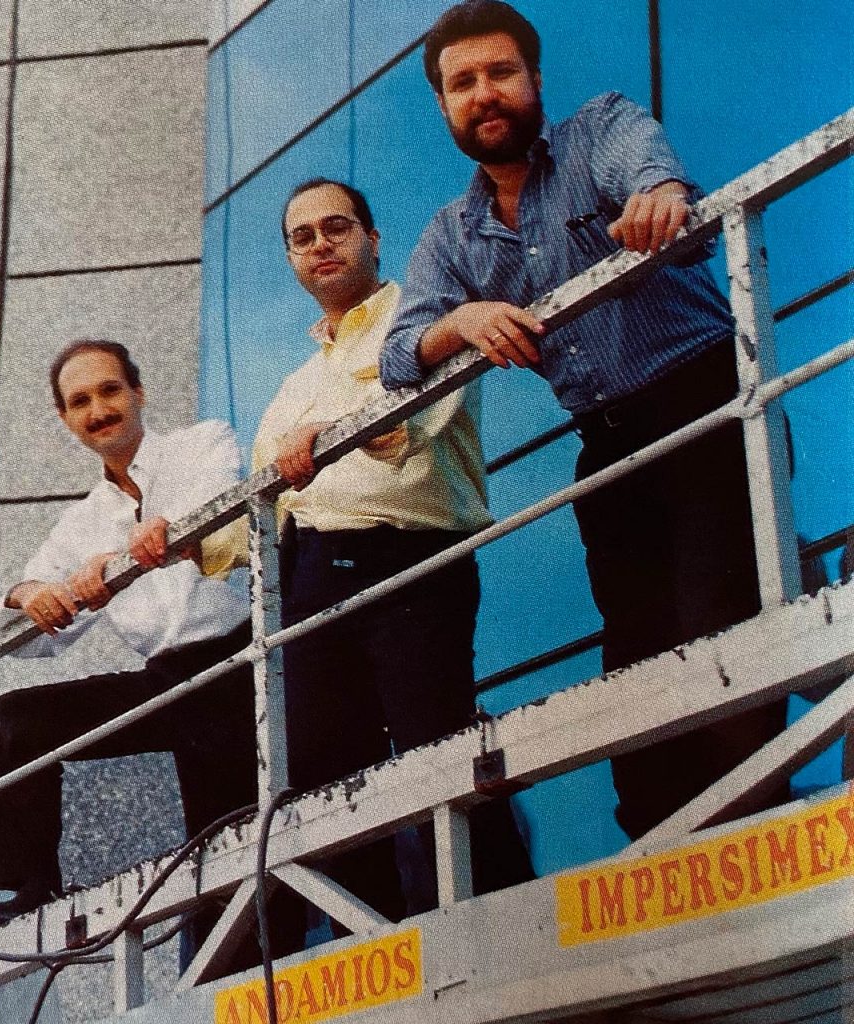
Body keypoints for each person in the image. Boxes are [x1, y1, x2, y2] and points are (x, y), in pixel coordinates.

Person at [379, 0, 788, 840]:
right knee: (634, 655)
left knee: (722, 621)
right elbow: (397, 355)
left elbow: (655, 177)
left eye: (500, 73)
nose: (483, 94)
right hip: (606, 444)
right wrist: (461, 323)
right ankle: (659, 849)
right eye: (462, 84)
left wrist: (661, 197)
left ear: (534, 81)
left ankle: (753, 831)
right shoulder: (452, 233)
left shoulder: (601, 125)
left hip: (706, 403)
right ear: (444, 106)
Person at [251, 177, 533, 943]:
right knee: (323, 775)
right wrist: (158, 539)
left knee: (436, 747)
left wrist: (333, 430)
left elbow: (414, 419)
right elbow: (252, 507)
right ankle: (369, 945)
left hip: (407, 557)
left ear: (373, 239)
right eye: (302, 237)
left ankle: (510, 931)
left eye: (335, 228)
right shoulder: (293, 382)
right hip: (312, 575)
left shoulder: (424, 318)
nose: (320, 246)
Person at [0, 340, 257, 940]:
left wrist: (108, 567)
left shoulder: (203, 443)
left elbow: (204, 513)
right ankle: (29, 890)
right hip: (168, 682)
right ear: (66, 419)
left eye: (110, 391)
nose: (98, 409)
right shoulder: (81, 520)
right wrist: (26, 593)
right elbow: (17, 638)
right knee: (14, 721)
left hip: (242, 663)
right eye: (79, 401)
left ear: (138, 394)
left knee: (235, 856)